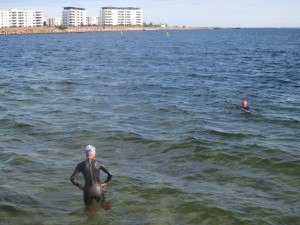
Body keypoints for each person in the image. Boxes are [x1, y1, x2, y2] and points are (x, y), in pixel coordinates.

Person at [70, 145, 113, 211]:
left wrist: (80, 186)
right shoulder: (98, 163)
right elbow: (110, 175)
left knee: (89, 212)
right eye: (95, 152)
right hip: (99, 190)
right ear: (92, 153)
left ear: (86, 154)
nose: (95, 153)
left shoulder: (80, 165)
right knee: (106, 208)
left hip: (87, 191)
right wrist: (105, 182)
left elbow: (72, 179)